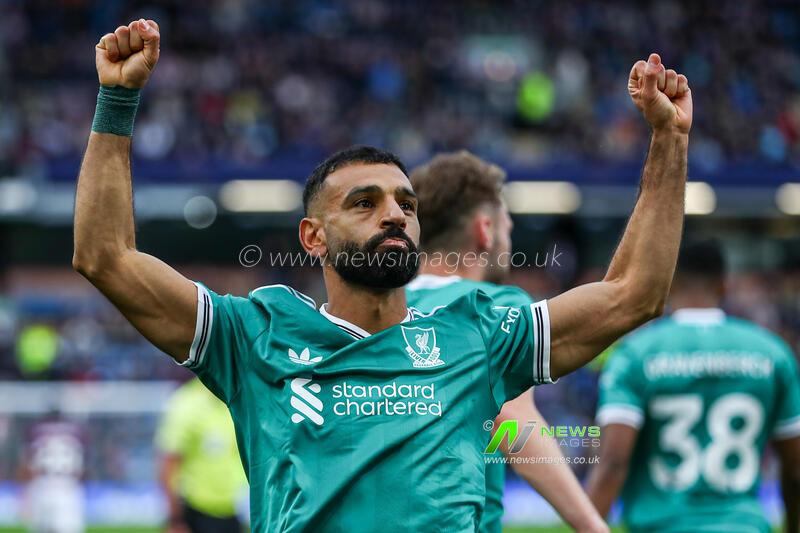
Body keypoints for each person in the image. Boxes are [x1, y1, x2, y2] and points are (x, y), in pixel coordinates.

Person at [73, 18, 692, 532]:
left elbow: (633, 294)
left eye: (406, 204)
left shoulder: (475, 330)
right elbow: (105, 257)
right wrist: (116, 101)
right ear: (313, 237)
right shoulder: (254, 334)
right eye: (364, 203)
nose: (395, 214)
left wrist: (669, 140)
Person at [407, 151, 607, 533]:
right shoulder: (495, 308)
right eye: (507, 227)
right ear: (485, 230)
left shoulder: (378, 308)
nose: (508, 239)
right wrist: (592, 526)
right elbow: (513, 422)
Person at [586, 240, 800, 533]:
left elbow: (613, 463)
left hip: (663, 526)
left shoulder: (636, 353)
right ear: (724, 285)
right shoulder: (772, 353)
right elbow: (796, 469)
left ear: (668, 283)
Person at [156, 378, 247, 533]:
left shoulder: (238, 399)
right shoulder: (186, 402)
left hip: (234, 512)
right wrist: (175, 520)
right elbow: (169, 466)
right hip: (197, 513)